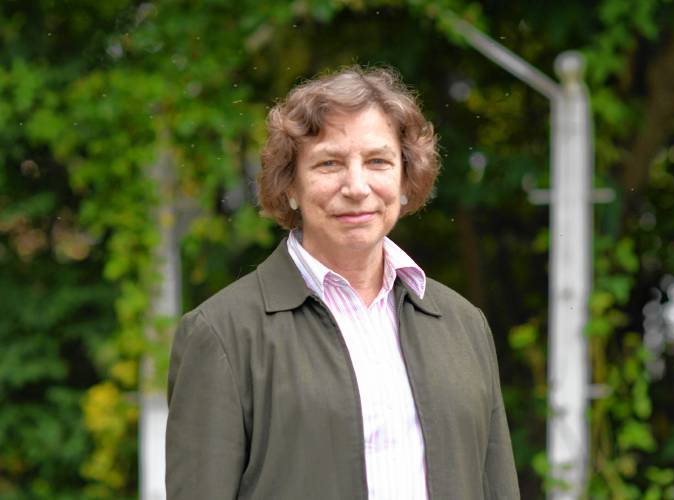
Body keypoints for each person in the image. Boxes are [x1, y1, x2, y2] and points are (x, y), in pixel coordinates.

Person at [165, 66, 520, 500]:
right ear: (289, 185)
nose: (356, 187)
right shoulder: (221, 334)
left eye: (377, 162)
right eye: (329, 163)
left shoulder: (464, 326)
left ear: (405, 181)